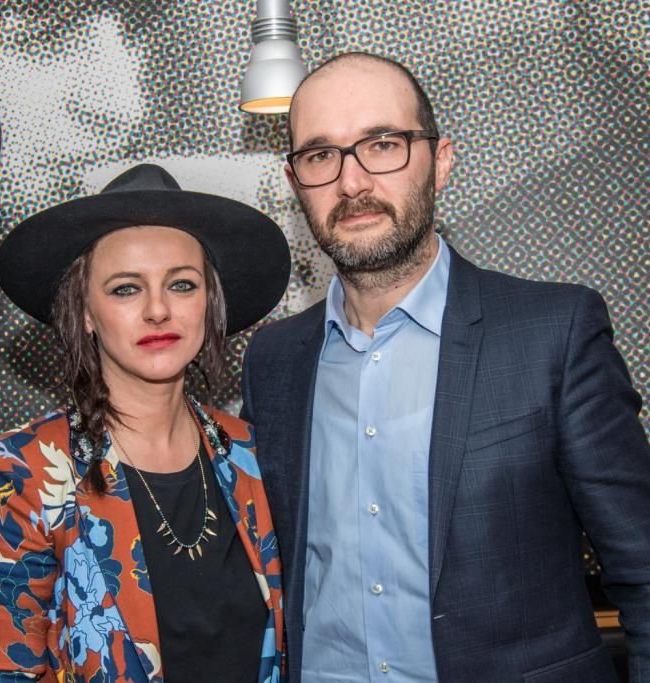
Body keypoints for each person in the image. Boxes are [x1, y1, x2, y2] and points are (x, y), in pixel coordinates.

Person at [240, 52, 650, 682]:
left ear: (441, 162)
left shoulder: (554, 334)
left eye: (383, 144)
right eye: (322, 155)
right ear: (297, 184)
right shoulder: (272, 361)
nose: (352, 182)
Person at [0, 163, 290, 682]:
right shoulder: (24, 471)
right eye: (126, 289)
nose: (158, 310)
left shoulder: (250, 453)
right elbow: (10, 669)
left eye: (182, 284)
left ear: (209, 304)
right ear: (86, 313)